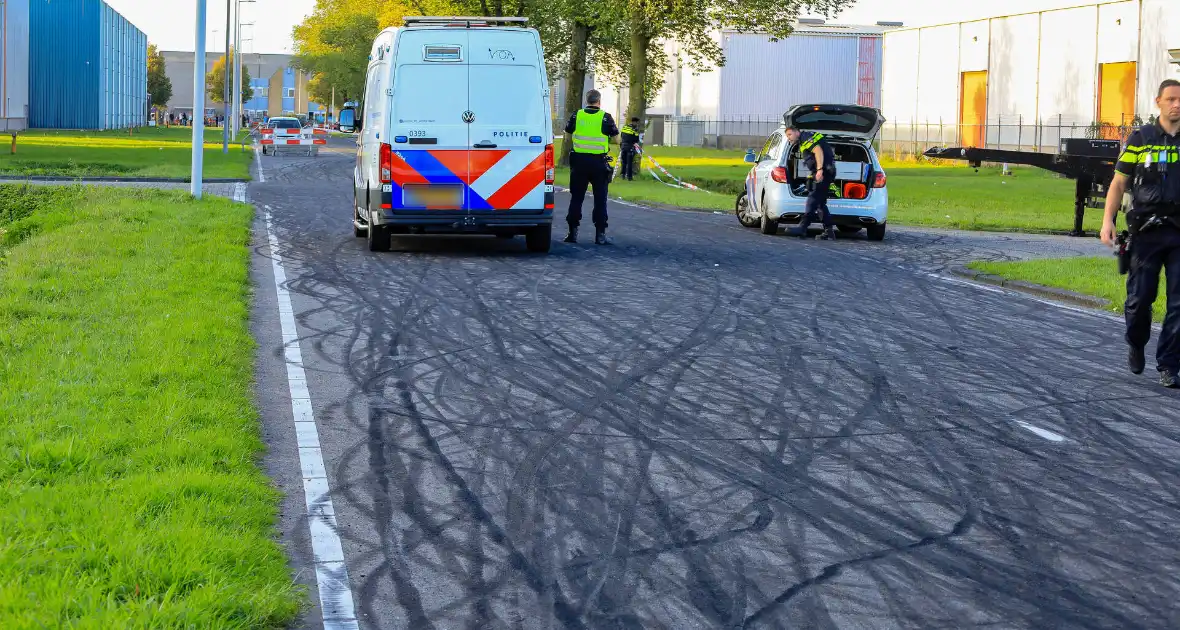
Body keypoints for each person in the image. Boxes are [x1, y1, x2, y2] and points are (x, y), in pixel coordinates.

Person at [1101, 78, 1180, 389]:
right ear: (1158, 101)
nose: (1177, 104)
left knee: (1179, 303)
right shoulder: (1140, 138)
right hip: (1146, 233)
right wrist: (1108, 220)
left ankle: (1170, 365)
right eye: (1171, 99)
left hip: (1179, 232)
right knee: (1139, 300)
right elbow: (1119, 183)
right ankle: (1136, 342)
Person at [563, 89, 619, 245]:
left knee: (576, 198)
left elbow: (568, 134)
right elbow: (617, 139)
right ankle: (600, 235)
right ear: (599, 101)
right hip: (598, 163)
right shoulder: (605, 118)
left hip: (579, 162)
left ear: (586, 101)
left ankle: (572, 233)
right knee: (600, 199)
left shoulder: (576, 115)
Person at [784, 125, 838, 240]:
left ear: (797, 132)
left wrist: (819, 170)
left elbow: (818, 150)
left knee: (812, 199)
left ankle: (803, 227)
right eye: (787, 136)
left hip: (824, 172)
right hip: (825, 171)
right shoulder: (805, 139)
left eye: (789, 134)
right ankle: (829, 232)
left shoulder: (805, 137)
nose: (788, 138)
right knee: (820, 203)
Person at [619, 117, 642, 181]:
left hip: (623, 146)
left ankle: (623, 175)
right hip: (630, 147)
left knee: (624, 162)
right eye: (637, 123)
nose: (637, 124)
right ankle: (629, 177)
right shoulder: (634, 129)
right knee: (629, 163)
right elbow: (636, 140)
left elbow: (621, 135)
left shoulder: (625, 127)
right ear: (635, 122)